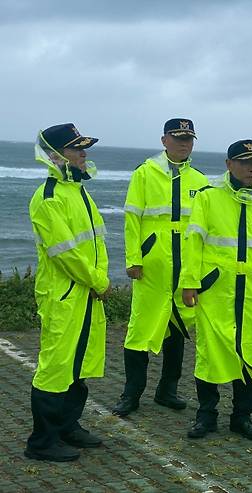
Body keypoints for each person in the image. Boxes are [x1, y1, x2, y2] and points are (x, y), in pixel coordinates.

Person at [181, 139, 252, 441]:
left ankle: (243, 416)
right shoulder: (208, 198)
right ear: (229, 165)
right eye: (244, 161)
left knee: (251, 352)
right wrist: (190, 282)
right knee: (210, 354)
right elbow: (194, 242)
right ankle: (206, 415)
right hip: (216, 291)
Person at [112, 119, 209, 417]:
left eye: (189, 138)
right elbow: (132, 219)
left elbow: (207, 227)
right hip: (154, 265)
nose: (184, 143)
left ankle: (167, 390)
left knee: (178, 329)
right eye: (178, 137)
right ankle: (131, 393)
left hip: (186, 267)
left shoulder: (200, 180)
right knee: (140, 329)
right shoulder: (145, 174)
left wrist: (201, 268)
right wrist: (133, 259)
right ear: (164, 140)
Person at [26, 123, 110, 461]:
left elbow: (97, 242)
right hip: (63, 295)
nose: (83, 154)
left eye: (83, 147)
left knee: (79, 364)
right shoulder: (47, 198)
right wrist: (99, 281)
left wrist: (98, 277)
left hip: (86, 293)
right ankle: (42, 442)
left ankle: (67, 426)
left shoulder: (78, 192)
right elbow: (65, 253)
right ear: (55, 155)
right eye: (76, 148)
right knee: (55, 366)